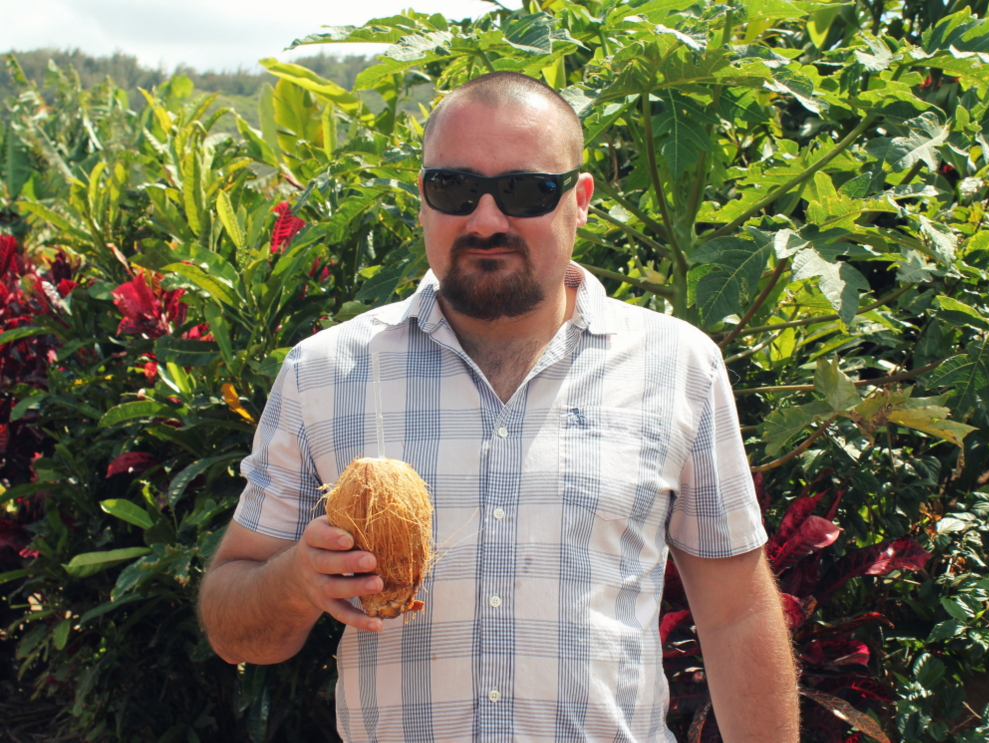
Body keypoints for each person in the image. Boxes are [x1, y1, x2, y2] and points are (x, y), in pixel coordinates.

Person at [198, 71, 799, 742]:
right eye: (453, 187)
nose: (485, 218)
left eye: (524, 190)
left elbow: (735, 613)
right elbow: (233, 626)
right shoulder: (326, 373)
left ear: (581, 201)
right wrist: (295, 580)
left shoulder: (677, 366)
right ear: (422, 201)